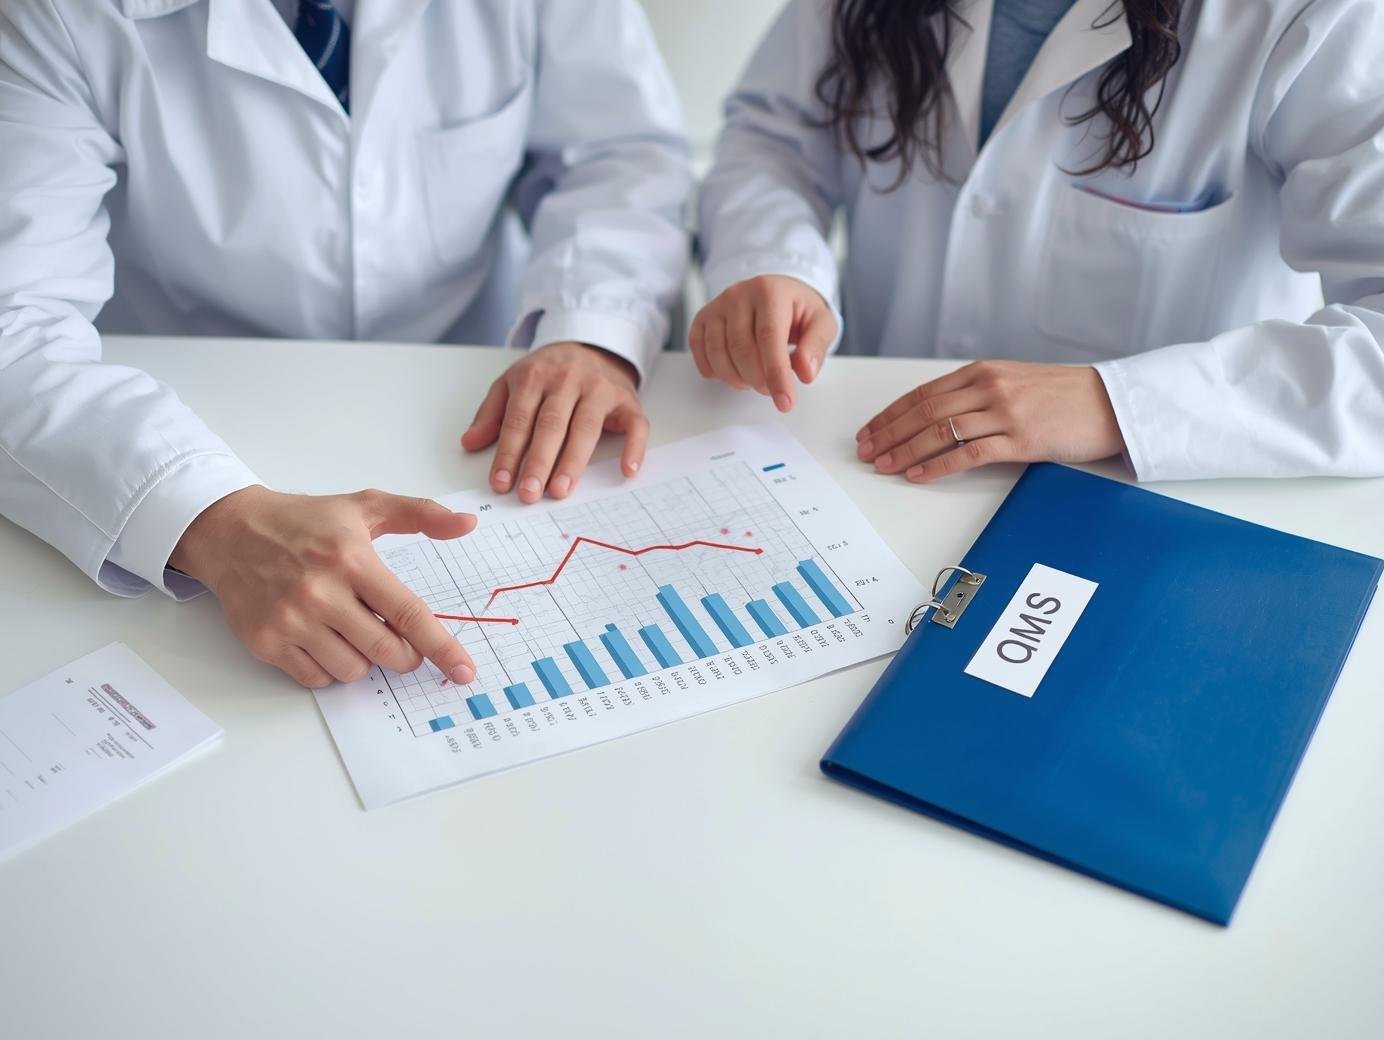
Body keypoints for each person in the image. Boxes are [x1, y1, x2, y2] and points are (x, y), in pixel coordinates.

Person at [0, 0, 690, 689]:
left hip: (466, 404)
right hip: (191, 421)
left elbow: (616, 154)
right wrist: (211, 520)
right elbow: (15, 320)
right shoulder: (49, 16)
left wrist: (592, 328)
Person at [692, 0, 1384, 483]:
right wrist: (776, 260)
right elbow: (774, 141)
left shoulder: (1319, 15)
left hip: (1143, 492)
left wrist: (1120, 404)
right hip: (874, 456)